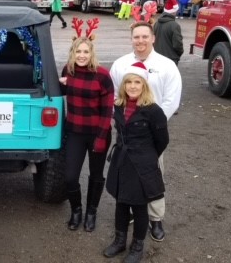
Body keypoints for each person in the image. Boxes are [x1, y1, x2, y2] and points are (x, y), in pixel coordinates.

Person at [109, 21, 182, 243]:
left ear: (153, 38)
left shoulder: (167, 65)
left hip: (151, 134)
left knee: (152, 177)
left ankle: (156, 218)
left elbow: (171, 100)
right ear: (131, 39)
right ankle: (130, 210)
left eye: (144, 37)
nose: (140, 41)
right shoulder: (120, 65)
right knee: (128, 176)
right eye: (136, 37)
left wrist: (152, 125)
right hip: (128, 132)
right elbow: (115, 95)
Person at [103, 62, 169, 263]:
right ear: (123, 85)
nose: (132, 86)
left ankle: (137, 246)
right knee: (121, 203)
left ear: (144, 85)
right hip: (121, 162)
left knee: (139, 207)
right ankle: (119, 240)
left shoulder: (153, 110)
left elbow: (162, 140)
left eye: (137, 82)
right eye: (128, 82)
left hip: (142, 166)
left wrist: (146, 155)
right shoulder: (118, 106)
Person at [59, 36, 114, 232]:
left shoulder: (102, 76)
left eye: (85, 52)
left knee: (96, 174)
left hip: (98, 132)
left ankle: (92, 212)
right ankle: (76, 210)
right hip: (75, 131)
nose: (81, 56)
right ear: (72, 53)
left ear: (91, 54)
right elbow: (60, 92)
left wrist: (100, 137)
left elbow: (108, 111)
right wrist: (59, 82)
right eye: (78, 52)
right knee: (70, 177)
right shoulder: (68, 70)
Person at [154, 0, 184, 66]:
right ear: (173, 11)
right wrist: (177, 55)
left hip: (157, 58)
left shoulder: (156, 23)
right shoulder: (175, 25)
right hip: (170, 59)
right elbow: (178, 45)